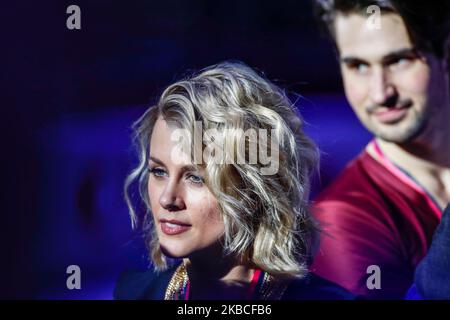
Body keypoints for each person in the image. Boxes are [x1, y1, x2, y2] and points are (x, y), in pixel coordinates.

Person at [114, 61, 354, 300]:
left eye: (195, 177)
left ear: (254, 188)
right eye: (159, 172)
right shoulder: (134, 293)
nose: (167, 198)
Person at [310, 0, 450, 299]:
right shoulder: (342, 218)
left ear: (446, 54)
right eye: (358, 66)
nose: (380, 92)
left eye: (399, 60)